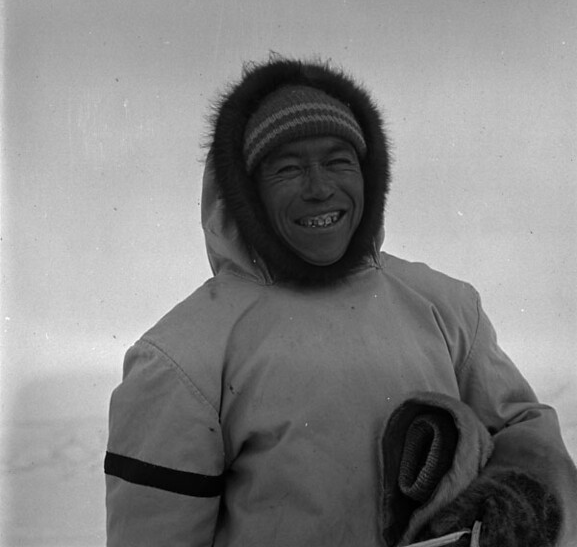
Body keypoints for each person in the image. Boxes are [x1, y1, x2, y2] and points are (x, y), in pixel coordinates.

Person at [105, 56, 577, 547]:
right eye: (287, 168)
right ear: (246, 192)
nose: (321, 188)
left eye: (338, 161)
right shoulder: (180, 359)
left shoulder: (445, 306)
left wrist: (519, 506)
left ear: (369, 175)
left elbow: (524, 427)